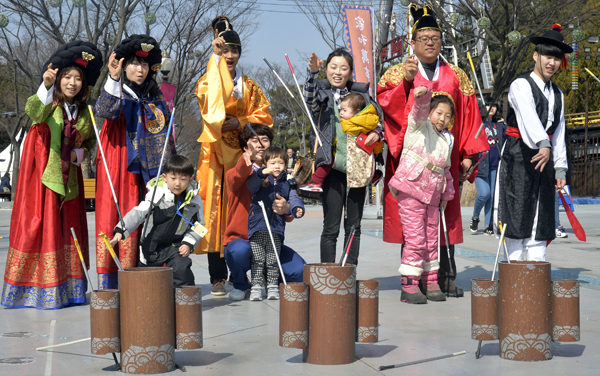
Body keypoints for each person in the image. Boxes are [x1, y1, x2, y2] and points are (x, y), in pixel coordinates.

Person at [378, 5, 488, 296]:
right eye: (423, 37)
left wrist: (467, 154)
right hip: (414, 162)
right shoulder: (398, 72)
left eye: (435, 37)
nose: (430, 42)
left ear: (442, 42)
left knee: (444, 217)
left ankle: (445, 276)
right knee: (414, 222)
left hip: (444, 162)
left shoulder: (456, 76)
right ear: (412, 43)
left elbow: (469, 117)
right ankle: (412, 279)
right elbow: (388, 106)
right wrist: (407, 81)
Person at [1, 41, 103, 309]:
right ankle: (36, 290)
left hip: (70, 181)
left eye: (77, 78)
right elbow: (33, 111)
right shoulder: (50, 105)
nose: (72, 83)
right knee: (41, 228)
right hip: (42, 182)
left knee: (67, 232)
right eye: (67, 77)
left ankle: (68, 289)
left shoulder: (84, 112)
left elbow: (89, 145)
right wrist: (45, 85)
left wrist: (76, 156)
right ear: (58, 78)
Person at [195, 16, 273, 296]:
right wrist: (214, 61)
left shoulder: (250, 86)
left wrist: (240, 122)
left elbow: (265, 117)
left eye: (234, 50)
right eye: (224, 50)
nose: (230, 55)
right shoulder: (206, 81)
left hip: (243, 158)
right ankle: (217, 276)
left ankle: (242, 272)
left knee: (242, 211)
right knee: (214, 213)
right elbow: (209, 105)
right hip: (214, 156)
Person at [94, 34, 173, 289]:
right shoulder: (117, 88)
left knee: (151, 212)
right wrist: (113, 77)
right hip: (120, 159)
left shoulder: (154, 94)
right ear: (124, 65)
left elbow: (166, 131)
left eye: (145, 65)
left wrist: (169, 170)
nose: (140, 70)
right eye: (135, 64)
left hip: (150, 165)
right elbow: (104, 110)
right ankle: (115, 277)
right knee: (121, 211)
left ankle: (148, 272)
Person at [495, 24, 570, 261]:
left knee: (542, 213)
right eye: (548, 56)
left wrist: (560, 168)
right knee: (517, 212)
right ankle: (515, 273)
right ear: (536, 55)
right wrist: (542, 143)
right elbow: (527, 117)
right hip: (519, 155)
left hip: (545, 157)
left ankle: (536, 270)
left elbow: (558, 133)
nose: (552, 63)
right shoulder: (521, 84)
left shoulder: (557, 94)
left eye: (557, 58)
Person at [303, 49, 384, 266]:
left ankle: (348, 272)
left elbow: (379, 121)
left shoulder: (362, 96)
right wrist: (312, 74)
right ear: (327, 68)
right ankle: (328, 274)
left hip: (358, 169)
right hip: (332, 170)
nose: (338, 72)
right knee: (330, 226)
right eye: (333, 67)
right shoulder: (321, 93)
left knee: (354, 226)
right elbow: (309, 100)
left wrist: (377, 133)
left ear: (350, 72)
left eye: (344, 68)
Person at [224, 124, 306, 301]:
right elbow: (240, 175)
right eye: (254, 141)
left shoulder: (279, 177)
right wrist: (245, 160)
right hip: (243, 240)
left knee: (300, 272)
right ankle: (240, 283)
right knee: (238, 252)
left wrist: (287, 209)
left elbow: (291, 202)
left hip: (270, 239)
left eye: (265, 140)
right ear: (245, 147)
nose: (260, 145)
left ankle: (268, 278)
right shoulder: (236, 172)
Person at [388, 85, 455, 304]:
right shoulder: (418, 127)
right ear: (430, 112)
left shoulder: (447, 141)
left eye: (447, 116)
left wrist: (447, 195)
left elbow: (446, 170)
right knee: (415, 239)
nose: (442, 119)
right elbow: (418, 109)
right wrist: (424, 94)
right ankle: (410, 284)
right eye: (439, 113)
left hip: (433, 196)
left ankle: (431, 280)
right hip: (411, 190)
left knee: (431, 240)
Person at [110, 155, 203, 288]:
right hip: (151, 244)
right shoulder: (156, 196)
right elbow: (138, 213)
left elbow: (200, 226)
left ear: (190, 180)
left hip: (176, 245)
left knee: (181, 269)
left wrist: (189, 243)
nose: (178, 183)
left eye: (183, 179)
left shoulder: (195, 202)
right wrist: (120, 230)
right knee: (147, 282)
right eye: (173, 178)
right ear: (164, 178)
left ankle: (184, 303)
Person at [247, 147, 304, 300]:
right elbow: (250, 187)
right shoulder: (260, 179)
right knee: (257, 260)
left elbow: (294, 198)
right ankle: (256, 287)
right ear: (265, 164)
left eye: (281, 163)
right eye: (273, 163)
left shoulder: (288, 182)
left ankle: (272, 287)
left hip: (276, 229)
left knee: (273, 260)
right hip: (258, 227)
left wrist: (297, 208)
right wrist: (260, 174)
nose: (277, 166)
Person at [301, 92, 382, 193]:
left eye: (344, 110)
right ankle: (375, 175)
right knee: (363, 165)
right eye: (341, 110)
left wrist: (332, 141)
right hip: (360, 152)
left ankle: (316, 181)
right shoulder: (368, 120)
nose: (341, 113)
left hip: (348, 151)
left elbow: (340, 133)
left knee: (328, 162)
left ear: (356, 111)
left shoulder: (350, 122)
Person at [470, 98, 506, 235]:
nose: (491, 107)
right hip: (480, 165)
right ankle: (475, 217)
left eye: (494, 105)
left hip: (495, 166)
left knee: (492, 196)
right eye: (488, 105)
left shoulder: (500, 126)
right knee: (484, 194)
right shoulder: (477, 124)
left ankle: (488, 225)